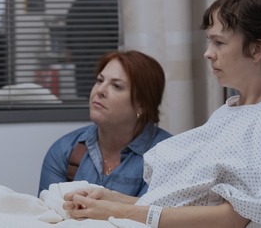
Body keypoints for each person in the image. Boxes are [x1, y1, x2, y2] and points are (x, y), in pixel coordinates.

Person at [62, 0, 261, 228]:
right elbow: (193, 205)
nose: (208, 53)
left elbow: (230, 218)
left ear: (256, 50)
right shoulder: (228, 113)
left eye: (219, 43)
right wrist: (114, 199)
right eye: (209, 41)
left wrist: (117, 211)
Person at [39, 50, 172, 197]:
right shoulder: (64, 150)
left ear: (142, 104)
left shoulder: (167, 155)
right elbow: (47, 214)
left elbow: (149, 216)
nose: (100, 90)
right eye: (100, 80)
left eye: (116, 86)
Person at [65, 0, 119, 98]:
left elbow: (69, 55)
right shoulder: (109, 5)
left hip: (84, 93)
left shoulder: (74, 9)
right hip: (109, 91)